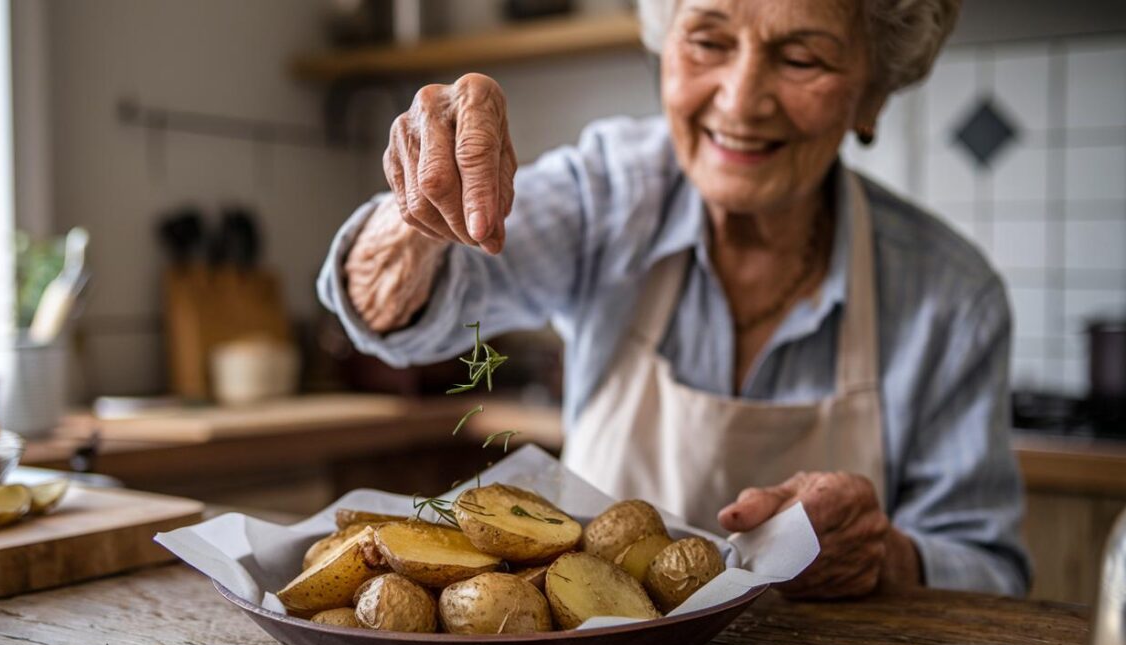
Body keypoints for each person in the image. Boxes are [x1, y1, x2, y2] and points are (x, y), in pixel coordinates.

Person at [318, 0, 1031, 599]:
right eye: (708, 41)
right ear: (664, 45)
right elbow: (395, 318)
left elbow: (991, 572)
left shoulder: (949, 293)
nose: (741, 99)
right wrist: (415, 210)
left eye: (803, 58)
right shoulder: (610, 193)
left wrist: (884, 556)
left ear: (872, 92)